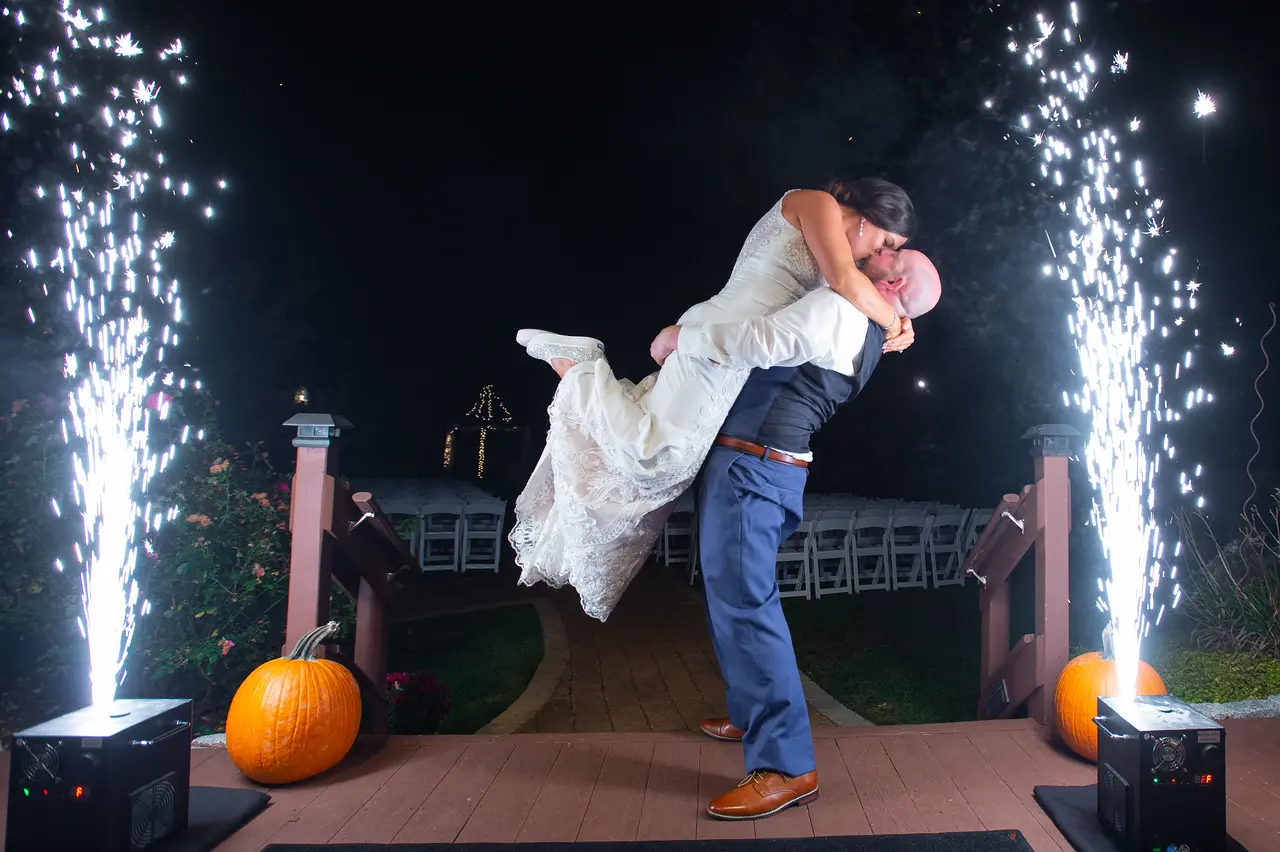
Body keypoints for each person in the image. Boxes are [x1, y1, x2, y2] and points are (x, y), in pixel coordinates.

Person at [510, 180, 918, 622]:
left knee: (662, 453)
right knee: (658, 458)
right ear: (870, 216)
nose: (878, 257)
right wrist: (895, 319)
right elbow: (842, 278)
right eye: (887, 243)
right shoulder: (816, 203)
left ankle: (586, 372)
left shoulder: (849, 260)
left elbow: (848, 289)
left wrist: (897, 322)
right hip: (718, 335)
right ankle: (583, 365)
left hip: (732, 353)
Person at [657, 248, 941, 821]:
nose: (876, 249)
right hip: (757, 466)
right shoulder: (865, 322)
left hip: (755, 469)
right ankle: (748, 711)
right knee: (730, 597)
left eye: (892, 251)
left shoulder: (842, 311)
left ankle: (788, 767)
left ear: (896, 281)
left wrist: (679, 339)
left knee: (747, 607)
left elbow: (758, 339)